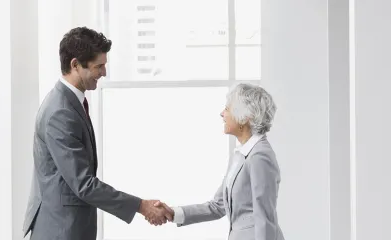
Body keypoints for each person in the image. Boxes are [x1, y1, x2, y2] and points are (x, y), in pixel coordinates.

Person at [22, 26, 171, 240]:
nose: (104, 72)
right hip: (60, 230)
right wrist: (141, 206)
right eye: (98, 66)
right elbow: (83, 183)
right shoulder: (60, 112)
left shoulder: (71, 102)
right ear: (75, 65)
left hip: (69, 226)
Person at [155, 83, 284, 240]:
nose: (222, 114)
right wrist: (174, 213)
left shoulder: (260, 156)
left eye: (227, 109)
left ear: (245, 117)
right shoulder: (240, 154)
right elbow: (217, 206)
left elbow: (265, 218)